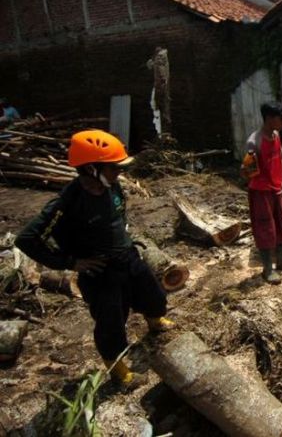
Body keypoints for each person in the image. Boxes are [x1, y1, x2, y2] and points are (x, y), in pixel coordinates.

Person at [15, 130, 174, 390]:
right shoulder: (67, 203)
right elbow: (26, 239)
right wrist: (70, 262)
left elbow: (118, 215)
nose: (119, 173)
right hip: (101, 273)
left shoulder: (112, 185)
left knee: (153, 295)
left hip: (127, 256)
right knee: (111, 323)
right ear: (91, 168)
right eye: (114, 168)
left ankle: (155, 322)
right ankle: (119, 371)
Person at [240, 102, 282, 284]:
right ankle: (268, 269)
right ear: (269, 118)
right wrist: (247, 168)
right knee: (265, 228)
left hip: (276, 189)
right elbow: (246, 171)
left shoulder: (275, 136)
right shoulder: (255, 141)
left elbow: (279, 161)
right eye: (280, 119)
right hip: (261, 192)